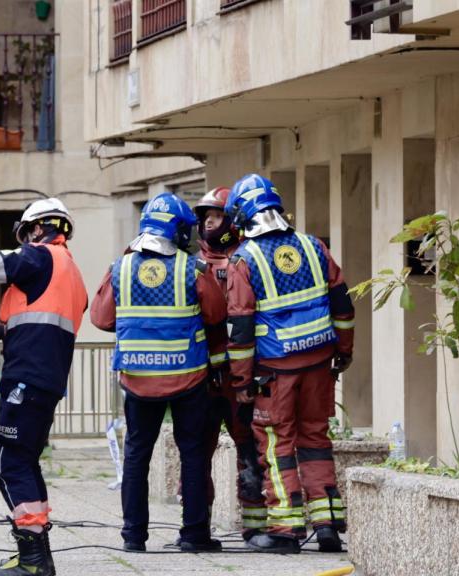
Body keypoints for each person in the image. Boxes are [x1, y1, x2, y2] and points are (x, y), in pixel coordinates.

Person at [0, 198, 87, 576]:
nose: (25, 241)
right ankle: (38, 557)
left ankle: (31, 559)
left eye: (26, 233)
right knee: (26, 462)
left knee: (11, 464)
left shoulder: (41, 256)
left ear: (37, 228)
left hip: (26, 379)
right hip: (47, 380)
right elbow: (40, 322)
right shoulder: (70, 271)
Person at [223, 174, 354, 554]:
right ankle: (327, 525)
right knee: (315, 438)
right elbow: (343, 306)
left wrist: (241, 381)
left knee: (277, 444)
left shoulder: (244, 260)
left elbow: (241, 329)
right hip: (320, 361)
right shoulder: (314, 246)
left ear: (241, 215)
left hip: (274, 372)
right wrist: (344, 351)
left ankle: (285, 529)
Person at [91, 192, 228, 553]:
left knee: (137, 454)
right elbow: (216, 314)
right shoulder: (191, 269)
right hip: (188, 378)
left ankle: (133, 537)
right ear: (179, 231)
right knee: (193, 454)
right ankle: (194, 535)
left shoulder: (120, 268)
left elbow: (101, 318)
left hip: (138, 381)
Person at [193, 187, 267, 541]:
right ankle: (197, 525)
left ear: (233, 221)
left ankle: (255, 525)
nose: (209, 223)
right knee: (197, 453)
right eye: (206, 217)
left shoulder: (248, 260)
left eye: (217, 216)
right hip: (202, 379)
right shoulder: (192, 265)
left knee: (249, 449)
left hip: (241, 379)